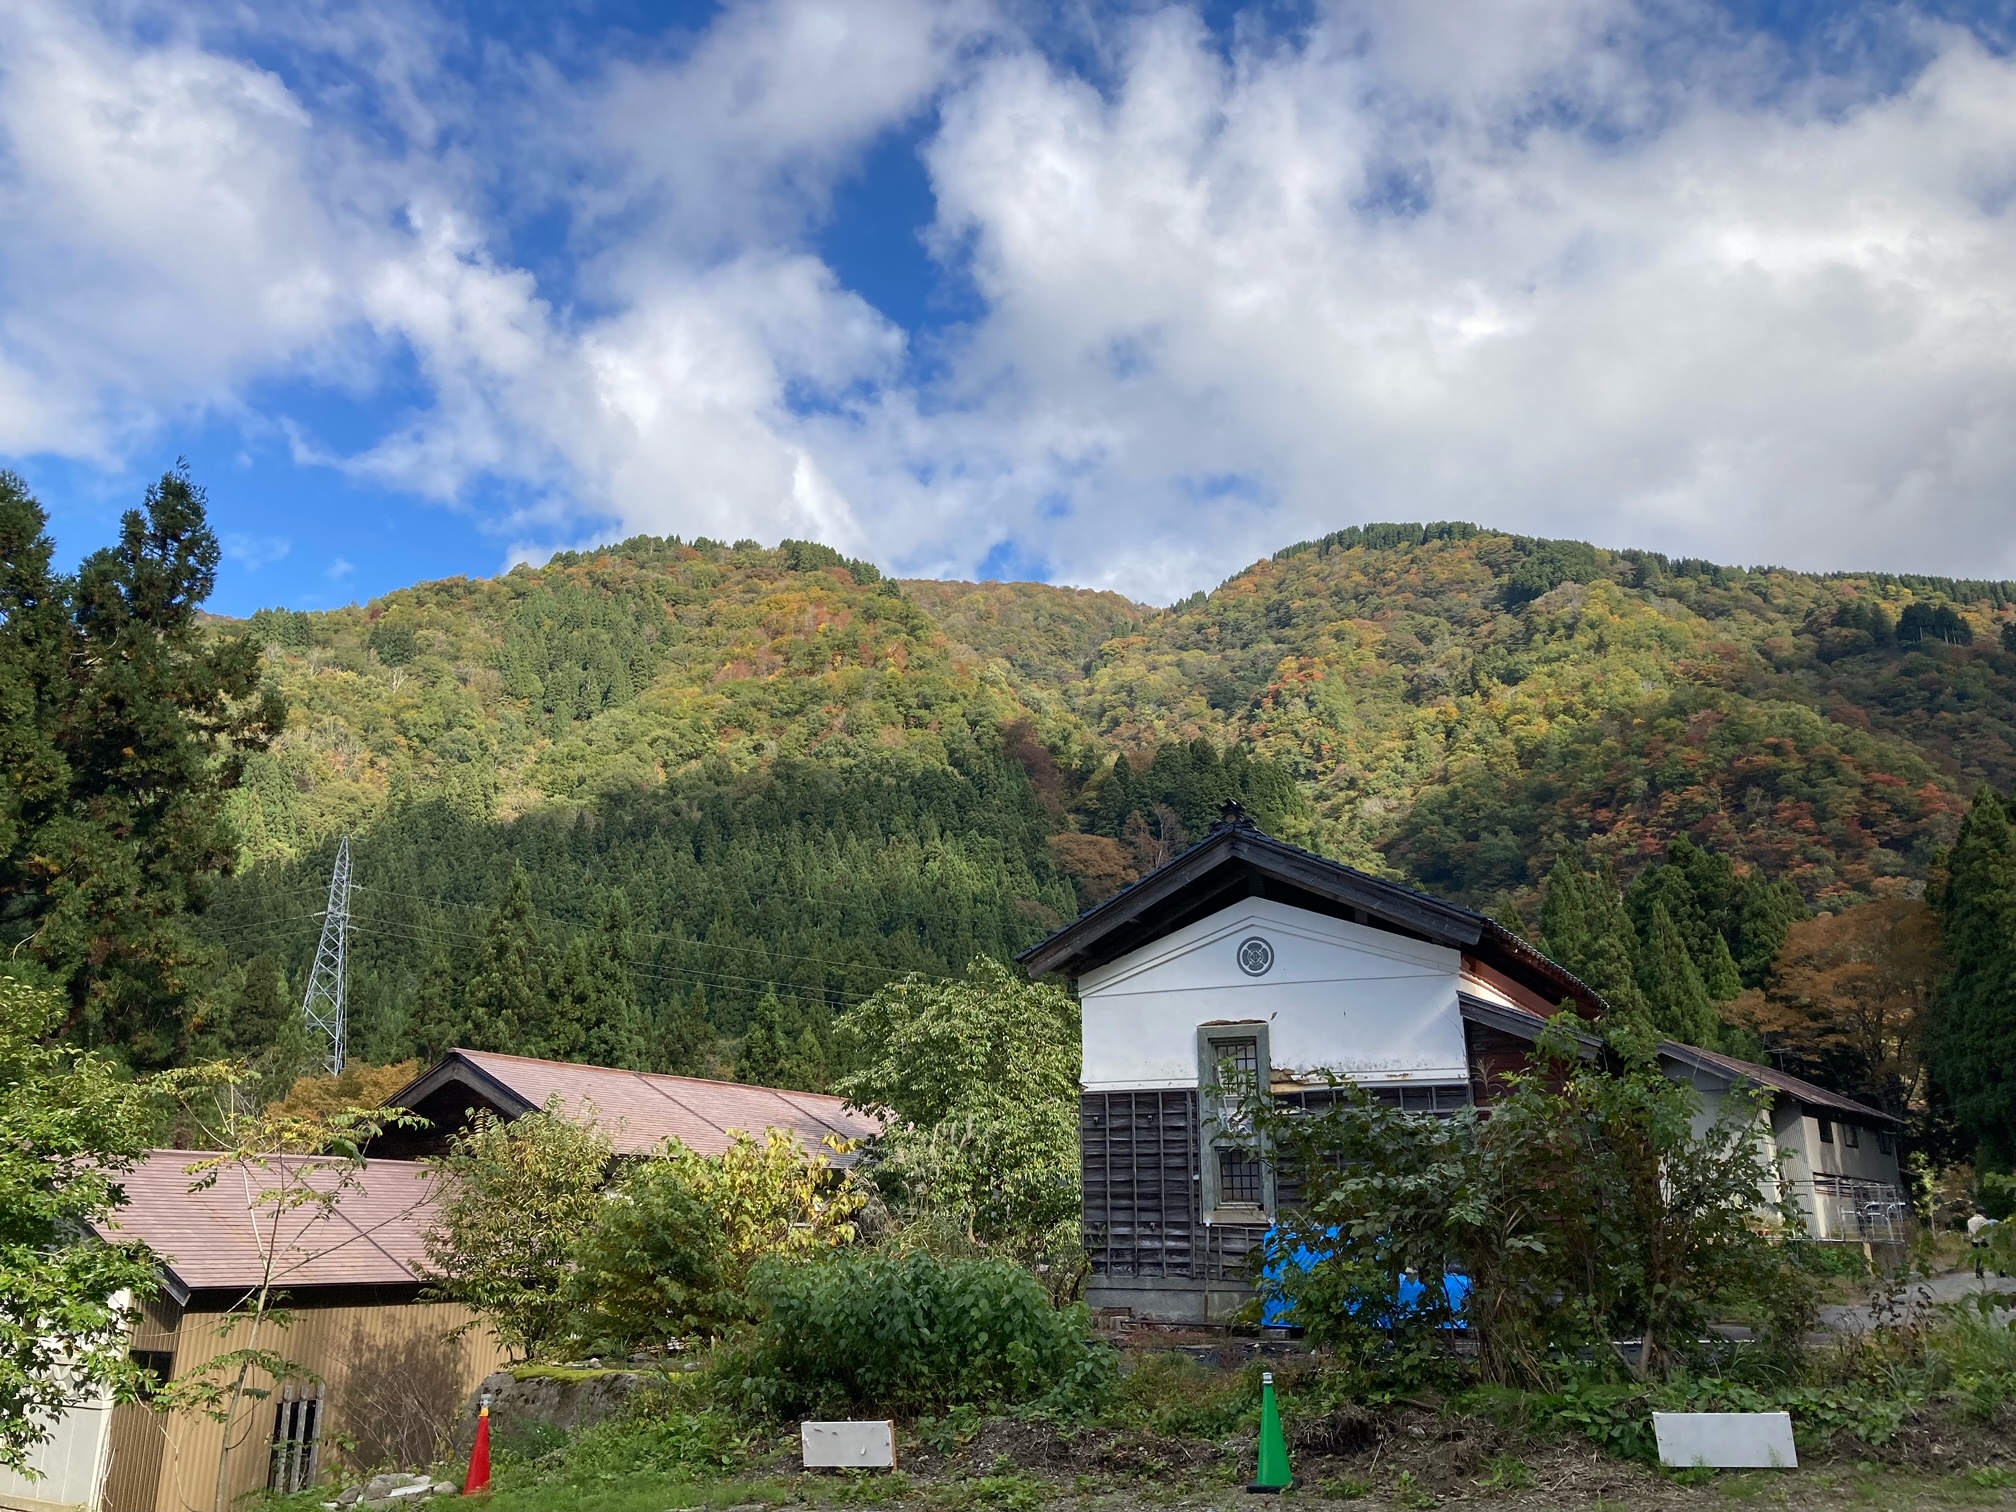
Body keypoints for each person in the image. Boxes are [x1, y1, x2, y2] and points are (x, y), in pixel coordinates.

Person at [1968, 1210, 1994, 1280]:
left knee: (1978, 1256)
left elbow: (1970, 1231)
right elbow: (1985, 1230)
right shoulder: (1983, 1220)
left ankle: (1978, 1271)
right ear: (1982, 1213)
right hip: (1982, 1240)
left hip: (1974, 1241)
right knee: (1991, 1254)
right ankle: (1999, 1271)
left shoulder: (1970, 1220)